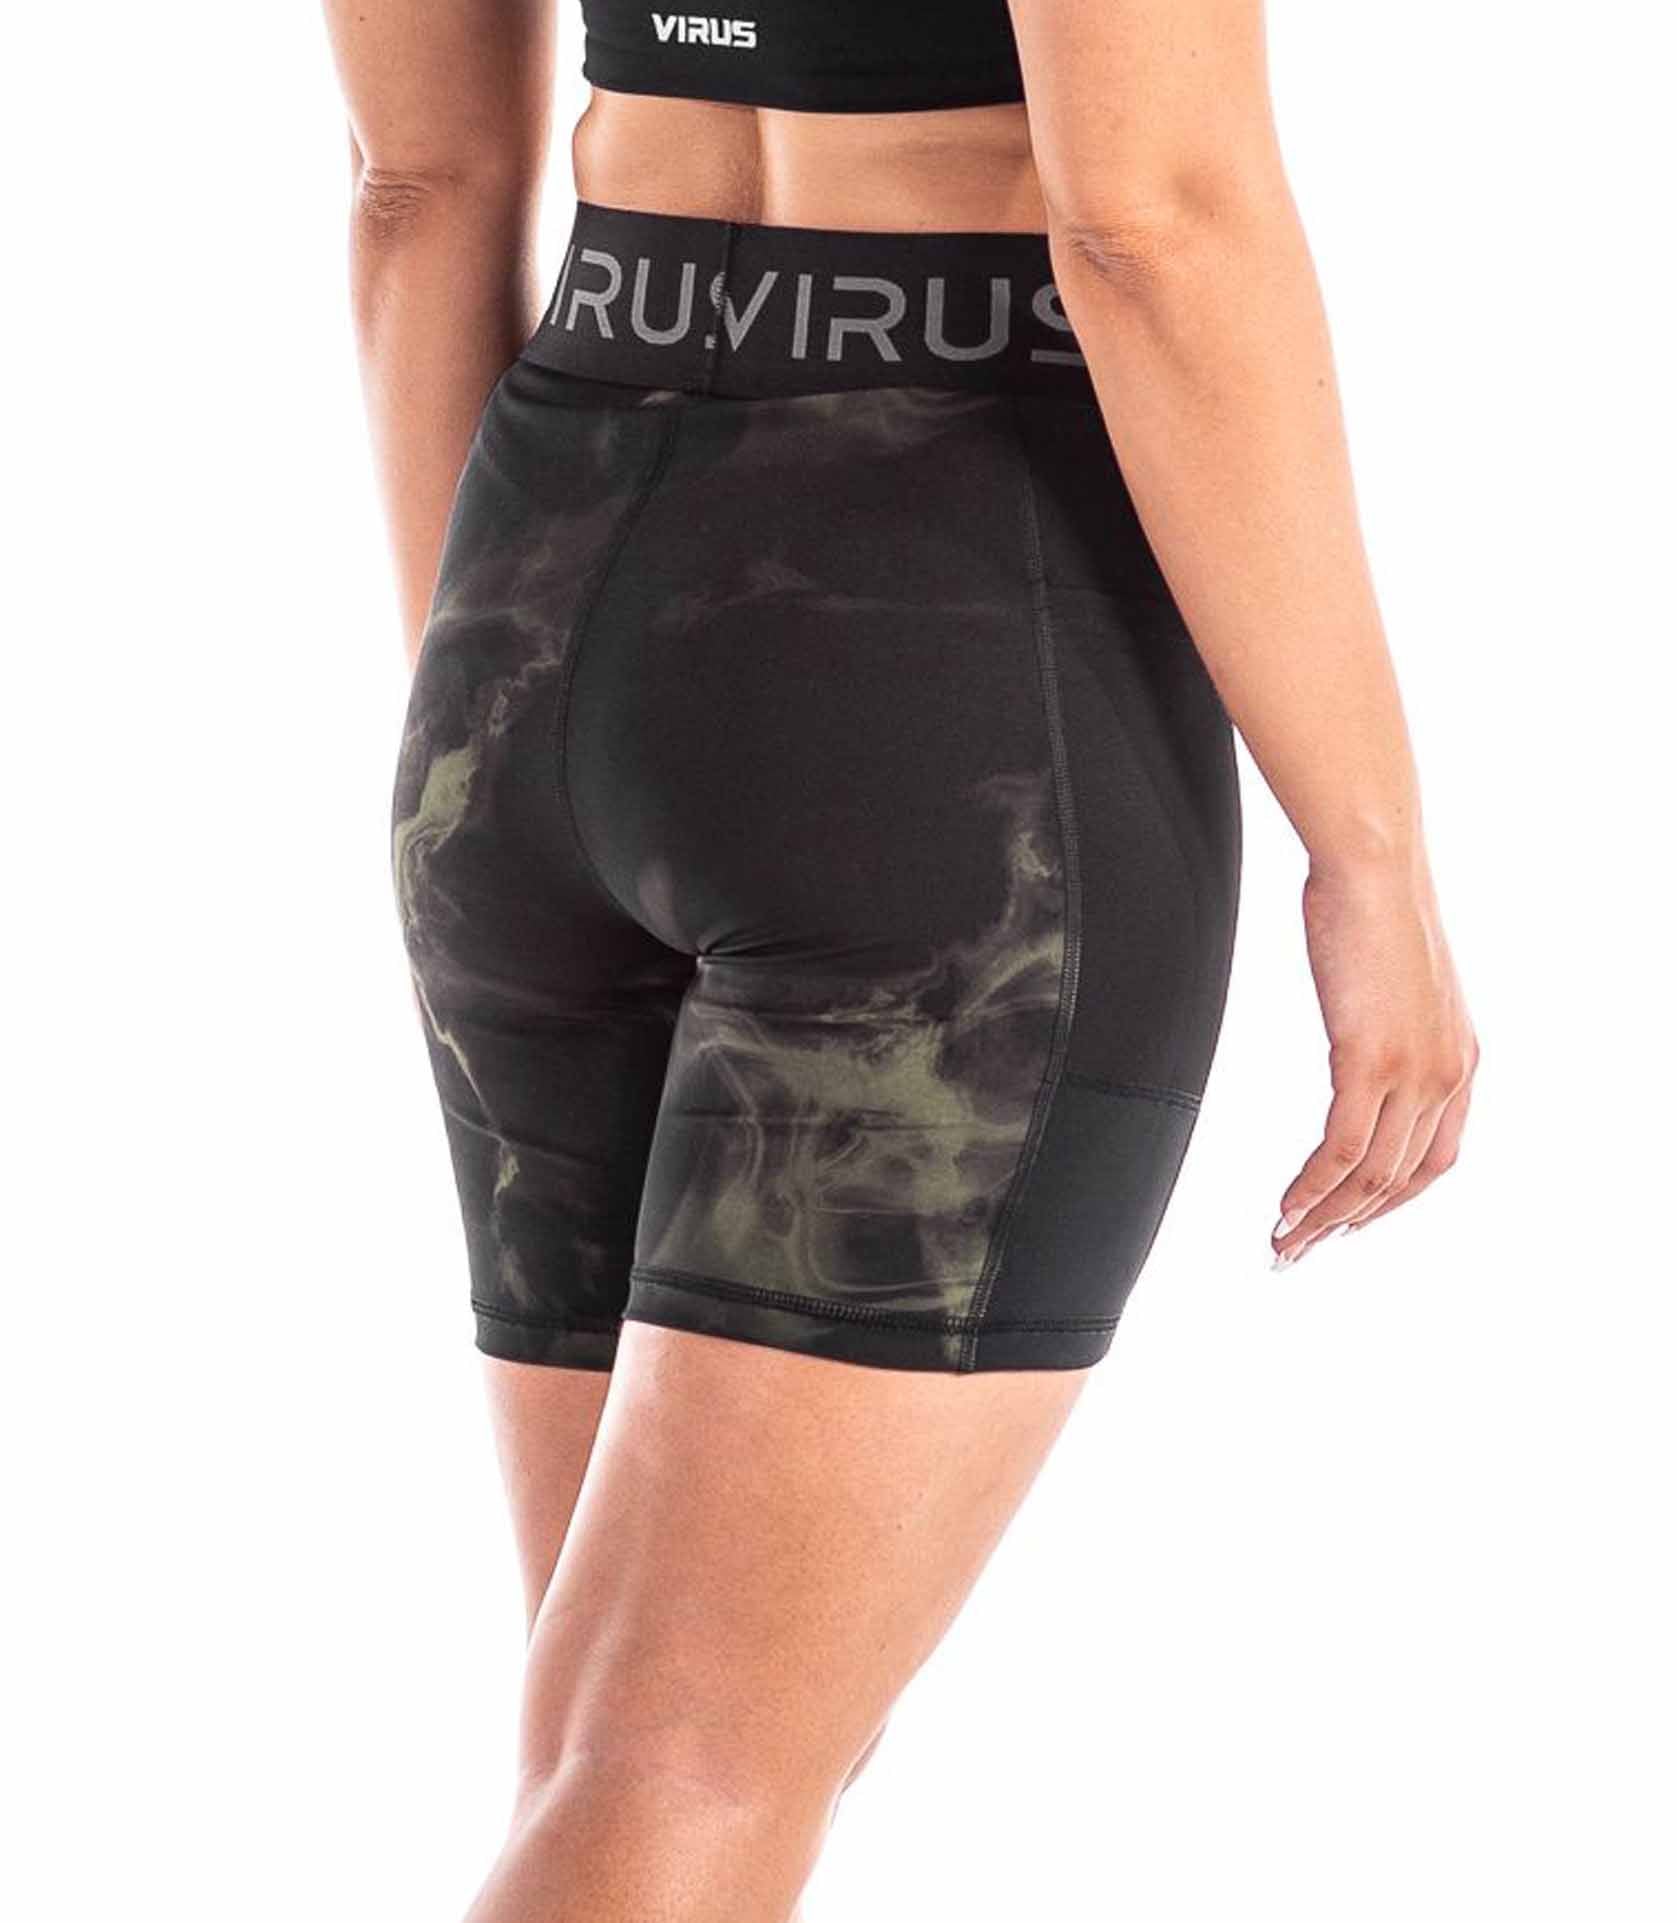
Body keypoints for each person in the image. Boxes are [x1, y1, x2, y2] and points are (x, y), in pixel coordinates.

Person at [324, 1, 1479, 1915]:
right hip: (933, 662)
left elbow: (416, 186)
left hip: (529, 587)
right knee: (686, 1769)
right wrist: (1369, 848)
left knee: (628, 1748)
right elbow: (1149, 219)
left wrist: (509, 706)